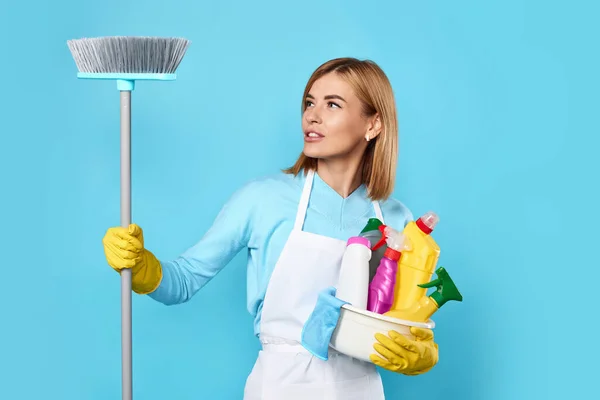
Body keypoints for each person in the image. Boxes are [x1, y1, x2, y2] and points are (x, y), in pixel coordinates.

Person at [102, 57, 439, 399]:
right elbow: (183, 281)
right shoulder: (262, 200)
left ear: (373, 125)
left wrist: (422, 349)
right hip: (282, 387)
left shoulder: (396, 220)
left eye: (332, 104)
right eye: (309, 102)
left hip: (360, 388)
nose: (312, 115)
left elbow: (405, 311)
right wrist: (142, 266)